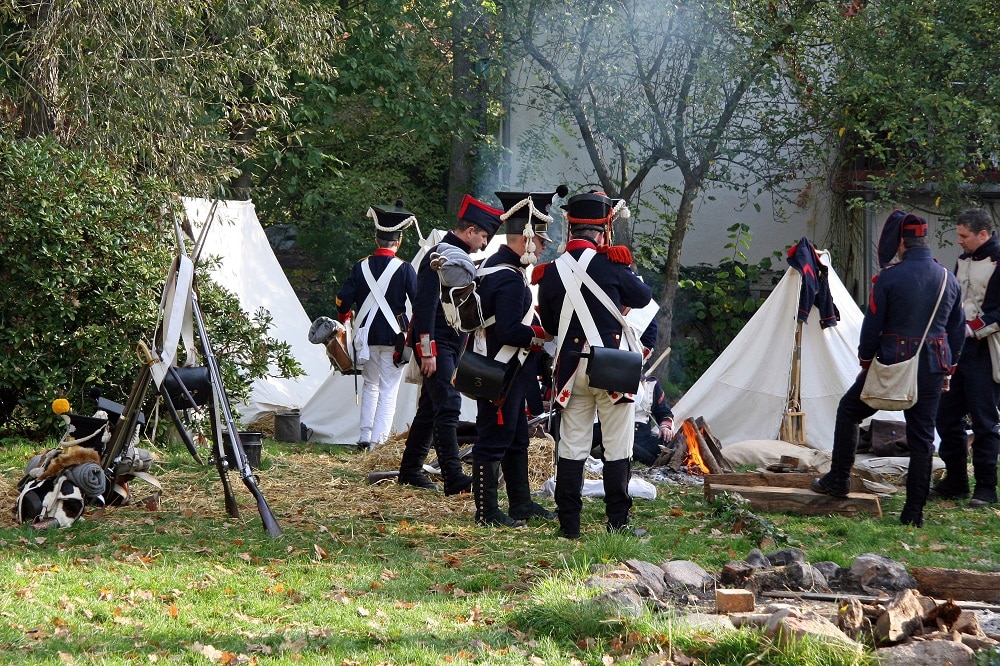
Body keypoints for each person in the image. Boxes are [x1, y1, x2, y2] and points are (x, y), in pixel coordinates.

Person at [811, 211, 964, 527]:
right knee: (923, 439)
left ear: (901, 245)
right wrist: (947, 370)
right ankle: (913, 513)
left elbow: (872, 328)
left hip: (893, 363)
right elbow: (957, 331)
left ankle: (838, 479)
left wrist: (866, 364)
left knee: (849, 411)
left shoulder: (889, 278)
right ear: (923, 240)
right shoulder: (948, 277)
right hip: (934, 365)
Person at [534, 191, 653, 538]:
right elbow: (643, 297)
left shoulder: (551, 272)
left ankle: (569, 525)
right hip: (612, 368)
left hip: (571, 370)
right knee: (618, 445)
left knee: (571, 446)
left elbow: (553, 323)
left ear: (570, 228)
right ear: (603, 231)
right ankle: (617, 522)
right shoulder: (613, 263)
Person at [465, 190, 561, 528]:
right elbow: (507, 330)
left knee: (517, 436)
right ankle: (486, 511)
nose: (545, 246)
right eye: (542, 239)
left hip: (511, 369)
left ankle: (520, 503)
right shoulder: (506, 276)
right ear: (528, 238)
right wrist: (542, 336)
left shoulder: (501, 268)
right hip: (501, 369)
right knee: (493, 440)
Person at [395, 195, 501, 494]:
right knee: (449, 403)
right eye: (482, 236)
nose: (483, 243)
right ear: (470, 231)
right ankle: (454, 477)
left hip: (452, 343)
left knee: (430, 408)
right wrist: (426, 350)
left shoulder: (456, 255)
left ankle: (410, 470)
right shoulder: (440, 255)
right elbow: (424, 305)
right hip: (437, 342)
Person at [335, 202, 418, 450]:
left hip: (366, 335)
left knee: (371, 384)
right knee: (389, 389)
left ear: (376, 238)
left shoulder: (360, 266)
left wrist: (344, 316)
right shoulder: (404, 269)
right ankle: (378, 442)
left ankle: (364, 435)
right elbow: (419, 303)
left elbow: (343, 301)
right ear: (399, 241)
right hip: (395, 337)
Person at [932, 208, 1000, 507]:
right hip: (958, 348)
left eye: (964, 235)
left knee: (985, 421)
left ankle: (986, 488)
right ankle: (957, 480)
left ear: (982, 234)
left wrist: (970, 329)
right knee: (946, 414)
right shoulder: (963, 259)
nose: (959, 241)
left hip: (986, 350)